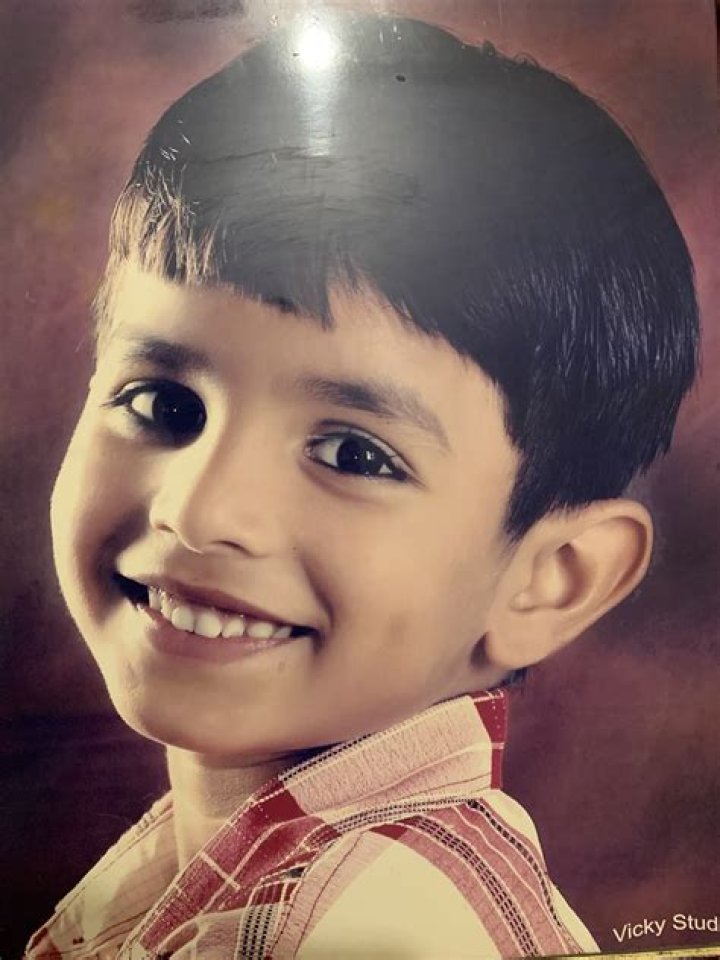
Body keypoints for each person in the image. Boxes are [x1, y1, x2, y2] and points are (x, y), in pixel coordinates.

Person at [26, 11, 698, 959]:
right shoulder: (232, 882)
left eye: (353, 455)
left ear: (552, 579)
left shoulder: (359, 930)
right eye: (163, 404)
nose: (198, 510)